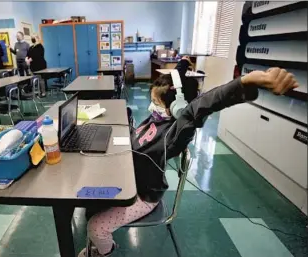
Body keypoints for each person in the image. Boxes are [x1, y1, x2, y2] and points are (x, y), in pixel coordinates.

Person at [78, 56, 299, 257]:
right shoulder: (156, 119)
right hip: (129, 178)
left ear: (177, 108)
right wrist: (183, 63)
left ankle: (103, 252)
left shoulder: (173, 134)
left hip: (142, 196)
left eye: (157, 102)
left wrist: (245, 82)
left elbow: (200, 108)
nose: (152, 105)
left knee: (96, 227)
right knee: (90, 201)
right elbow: (176, 78)